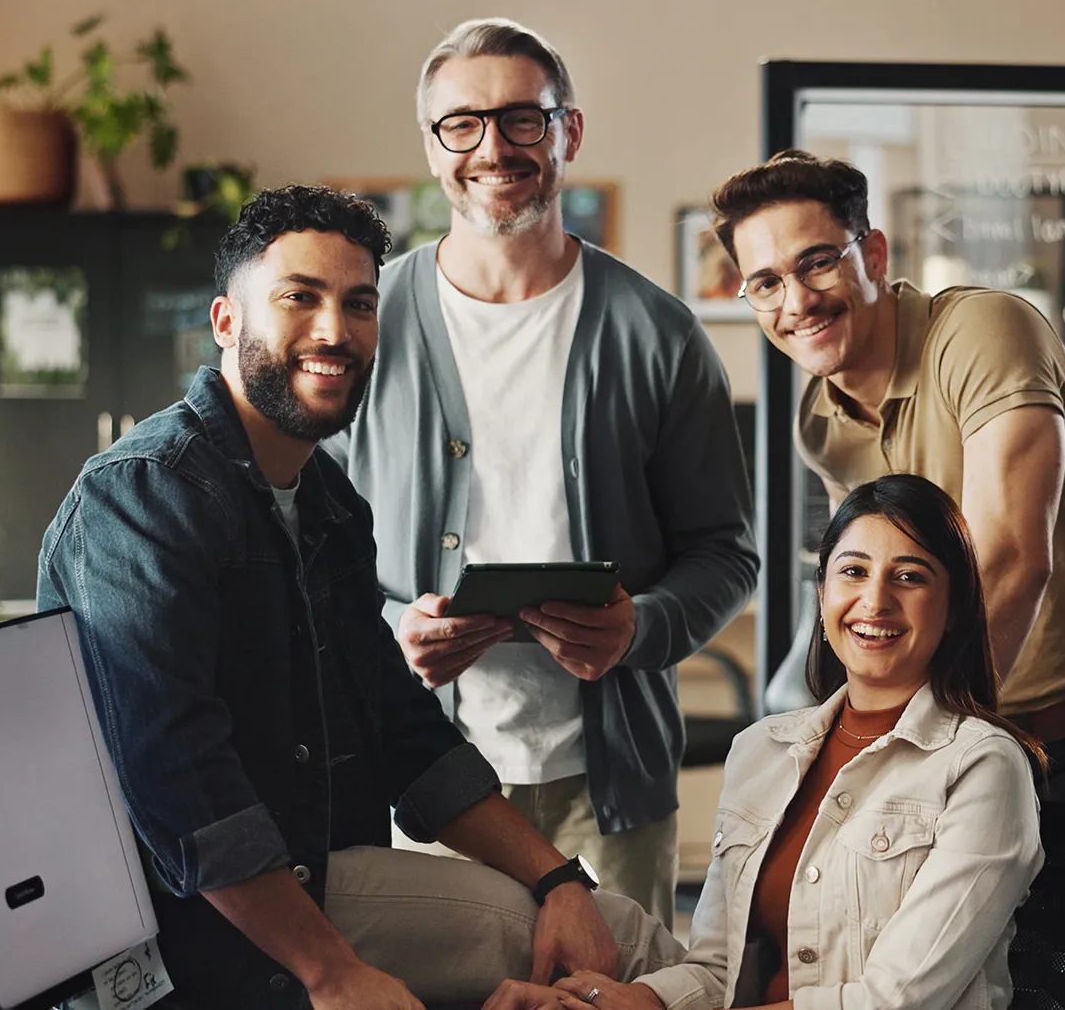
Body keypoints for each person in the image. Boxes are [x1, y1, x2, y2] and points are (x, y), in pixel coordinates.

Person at [36, 185, 681, 1010]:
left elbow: (401, 728)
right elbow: (179, 783)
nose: (335, 330)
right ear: (226, 322)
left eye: (359, 303)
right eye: (299, 298)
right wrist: (332, 972)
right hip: (187, 927)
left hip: (313, 873)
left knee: (593, 926)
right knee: (635, 945)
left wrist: (557, 878)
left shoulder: (328, 501)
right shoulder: (143, 497)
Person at [329, 18, 757, 926]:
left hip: (610, 790)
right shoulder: (367, 324)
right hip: (423, 777)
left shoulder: (660, 333)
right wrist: (387, 629)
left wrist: (638, 627)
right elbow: (300, 545)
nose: (494, 147)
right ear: (432, 146)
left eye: (525, 119)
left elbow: (726, 554)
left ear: (570, 132)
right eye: (463, 124)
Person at [706, 150, 1065, 819]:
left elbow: (1009, 557)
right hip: (943, 747)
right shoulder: (820, 420)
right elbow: (864, 594)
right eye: (767, 283)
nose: (797, 301)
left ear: (875, 254)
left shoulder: (983, 332)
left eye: (817, 262)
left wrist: (922, 751)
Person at [483, 473, 1045, 1010]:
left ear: (953, 610)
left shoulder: (982, 766)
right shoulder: (763, 750)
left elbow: (896, 1001)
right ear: (822, 594)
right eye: (853, 571)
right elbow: (717, 970)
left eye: (910, 576)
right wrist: (623, 999)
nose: (875, 602)